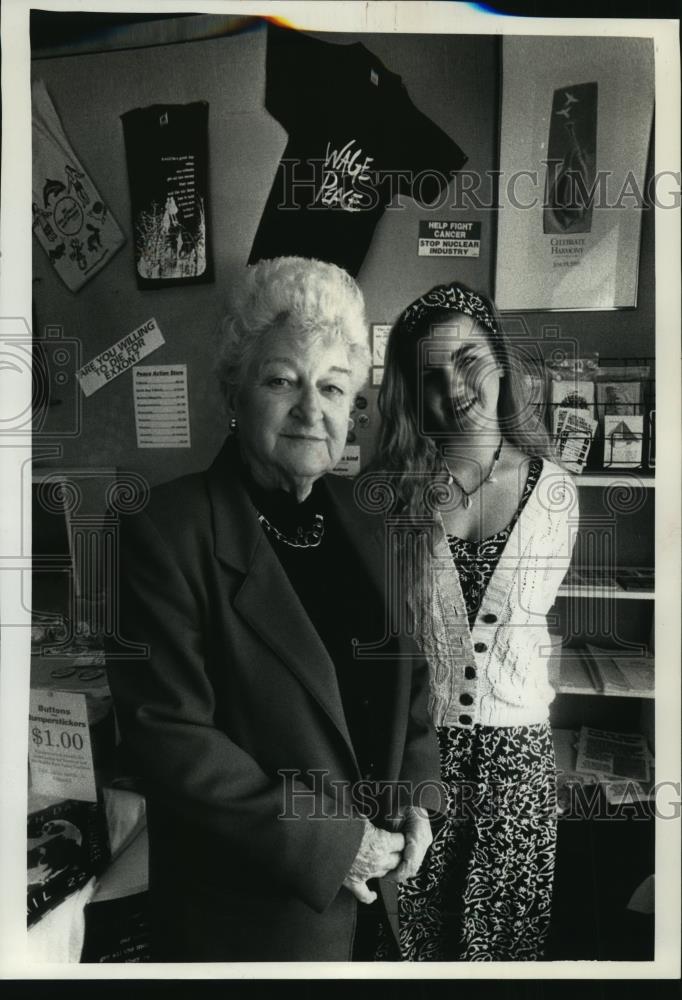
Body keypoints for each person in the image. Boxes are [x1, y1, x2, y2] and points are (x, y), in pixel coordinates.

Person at [106, 257, 441, 962]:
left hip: (375, 910)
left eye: (332, 386)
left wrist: (417, 793)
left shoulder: (370, 520)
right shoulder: (167, 528)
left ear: (354, 410)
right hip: (248, 924)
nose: (310, 408)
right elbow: (167, 737)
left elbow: (411, 688)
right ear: (235, 389)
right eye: (282, 380)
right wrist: (334, 843)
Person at [371, 281, 578, 961]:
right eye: (430, 376)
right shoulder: (393, 499)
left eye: (467, 361)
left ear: (499, 362)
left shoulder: (554, 495)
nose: (453, 388)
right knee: (417, 939)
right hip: (419, 755)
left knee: (505, 945)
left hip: (515, 764)